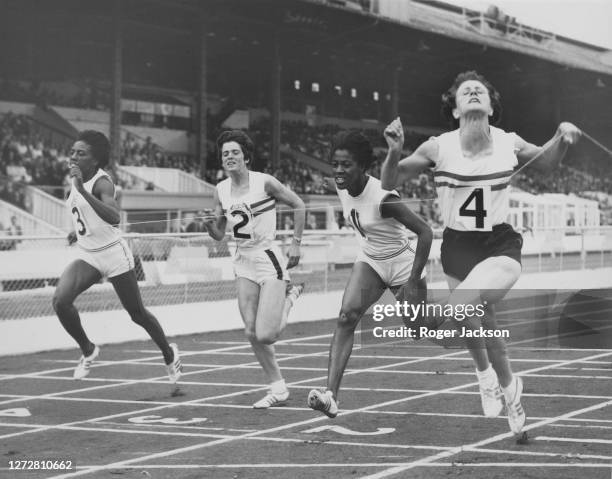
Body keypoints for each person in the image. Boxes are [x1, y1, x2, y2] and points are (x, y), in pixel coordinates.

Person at [380, 71, 581, 435]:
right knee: (480, 324)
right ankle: (503, 386)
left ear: (491, 105)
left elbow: (548, 163)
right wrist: (394, 152)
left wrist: (561, 137)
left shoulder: (509, 142)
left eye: (480, 90)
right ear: (455, 110)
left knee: (461, 308)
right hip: (458, 246)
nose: (473, 91)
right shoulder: (437, 147)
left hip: (499, 244)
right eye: (465, 91)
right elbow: (390, 182)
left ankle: (450, 341)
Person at [308, 130, 434, 418]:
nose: (339, 170)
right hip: (371, 260)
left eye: (346, 165)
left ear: (362, 166)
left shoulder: (384, 198)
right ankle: (331, 396)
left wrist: (413, 281)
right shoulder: (341, 185)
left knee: (419, 329)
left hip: (403, 263)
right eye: (335, 163)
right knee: (346, 316)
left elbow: (426, 232)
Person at [52, 130, 182, 383]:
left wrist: (81, 188)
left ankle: (169, 353)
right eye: (73, 152)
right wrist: (75, 232)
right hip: (89, 255)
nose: (74, 157)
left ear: (95, 159)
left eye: (81, 153)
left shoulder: (102, 182)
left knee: (137, 314)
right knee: (60, 301)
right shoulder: (75, 178)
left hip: (114, 255)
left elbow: (114, 217)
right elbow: (83, 214)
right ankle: (88, 350)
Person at [203, 130, 306, 408]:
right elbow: (219, 232)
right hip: (242, 260)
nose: (230, 157)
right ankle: (278, 387)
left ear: (246, 156)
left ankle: (290, 297)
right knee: (250, 330)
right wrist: (210, 227)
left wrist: (296, 244)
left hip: (267, 257)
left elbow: (299, 205)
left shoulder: (265, 182)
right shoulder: (220, 190)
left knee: (266, 334)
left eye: (235, 152)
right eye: (225, 153)